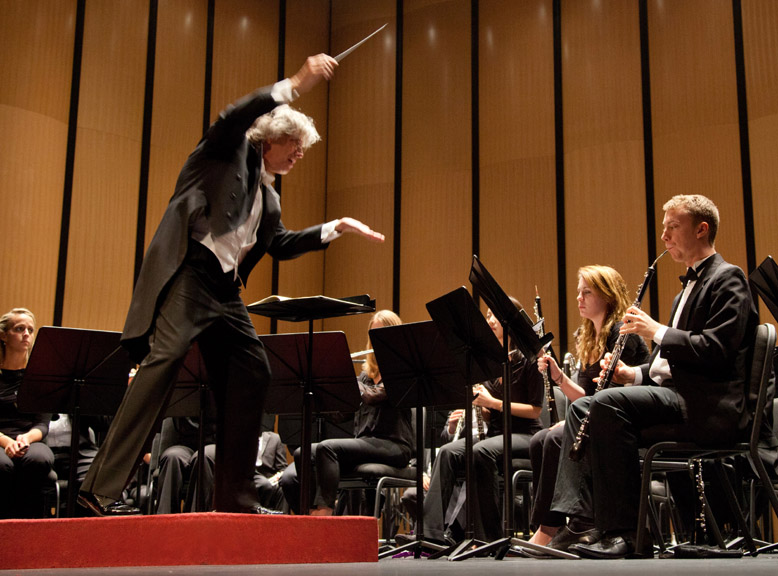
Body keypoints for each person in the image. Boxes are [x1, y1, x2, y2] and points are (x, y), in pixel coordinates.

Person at [78, 53, 385, 516]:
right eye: (295, 146)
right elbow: (232, 115)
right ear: (272, 138)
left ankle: (237, 497)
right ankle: (97, 489)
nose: (300, 155)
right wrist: (297, 83)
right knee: (163, 366)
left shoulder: (271, 199)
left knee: (252, 369)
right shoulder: (224, 150)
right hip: (191, 273)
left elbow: (278, 244)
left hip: (225, 292)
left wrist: (333, 227)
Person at [551, 194, 758, 559]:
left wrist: (656, 331)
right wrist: (631, 375)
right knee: (583, 409)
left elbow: (716, 350)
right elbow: (666, 367)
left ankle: (630, 534)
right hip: (678, 399)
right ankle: (582, 522)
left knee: (606, 405)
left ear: (701, 228)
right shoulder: (682, 295)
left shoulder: (729, 278)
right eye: (664, 229)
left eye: (673, 227)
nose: (664, 237)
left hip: (707, 407)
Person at [527, 266, 649, 550]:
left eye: (586, 292)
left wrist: (572, 419)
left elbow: (615, 396)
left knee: (555, 438)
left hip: (620, 424)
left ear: (606, 296)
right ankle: (551, 526)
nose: (579, 298)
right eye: (578, 292)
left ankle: (559, 527)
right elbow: (586, 394)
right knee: (539, 440)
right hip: (593, 415)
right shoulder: (588, 336)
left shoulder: (622, 333)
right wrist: (559, 376)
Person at [403, 303, 544, 545]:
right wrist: (480, 406)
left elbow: (535, 411)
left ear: (510, 322)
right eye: (487, 316)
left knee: (481, 450)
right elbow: (490, 416)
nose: (489, 320)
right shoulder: (489, 364)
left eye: (494, 316)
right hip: (497, 436)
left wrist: (494, 402)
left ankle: (488, 537)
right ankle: (429, 533)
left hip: (525, 434)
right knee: (447, 452)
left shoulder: (529, 358)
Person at [279, 310, 414, 516]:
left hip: (395, 446)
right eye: (373, 334)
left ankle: (324, 511)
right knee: (302, 452)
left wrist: (350, 383)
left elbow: (373, 397)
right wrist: (326, 389)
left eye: (381, 334)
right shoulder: (365, 376)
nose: (375, 340)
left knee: (327, 448)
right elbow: (343, 414)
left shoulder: (402, 370)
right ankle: (307, 512)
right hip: (366, 443)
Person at [0, 308, 55, 518]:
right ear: (3, 335)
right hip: (0, 440)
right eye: (19, 329)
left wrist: (25, 439)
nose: (26, 334)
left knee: (39, 459)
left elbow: (42, 424)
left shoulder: (39, 377)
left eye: (30, 330)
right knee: (2, 465)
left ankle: (29, 523)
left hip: (30, 439)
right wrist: (7, 442)